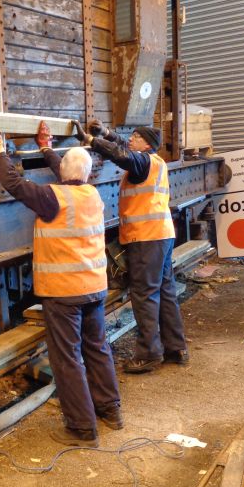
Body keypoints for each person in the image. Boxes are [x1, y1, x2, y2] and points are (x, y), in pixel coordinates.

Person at [0, 120, 122, 446]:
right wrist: (45, 147)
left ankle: (82, 429)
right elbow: (69, 173)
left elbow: (13, 182)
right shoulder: (91, 194)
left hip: (63, 293)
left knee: (67, 358)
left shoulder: (50, 198)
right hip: (94, 288)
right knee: (97, 349)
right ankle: (111, 411)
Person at [74, 120, 188, 374]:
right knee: (165, 291)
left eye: (136, 137)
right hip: (161, 236)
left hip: (146, 238)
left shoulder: (141, 163)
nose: (131, 139)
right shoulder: (154, 162)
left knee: (144, 294)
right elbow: (124, 146)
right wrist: (105, 133)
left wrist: (92, 141)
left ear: (146, 144)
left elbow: (121, 154)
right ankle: (175, 347)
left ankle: (148, 354)